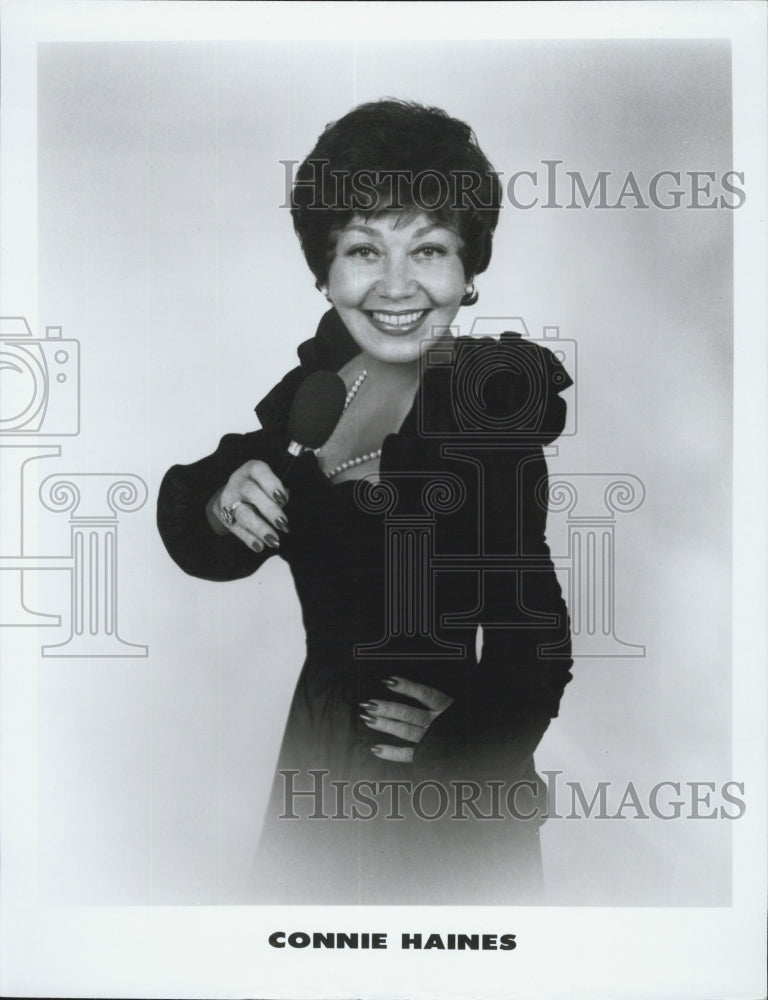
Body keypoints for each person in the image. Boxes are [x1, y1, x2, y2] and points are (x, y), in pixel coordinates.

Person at [157, 99, 573, 904]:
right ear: (324, 269)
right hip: (316, 750)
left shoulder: (485, 404)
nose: (394, 286)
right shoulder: (315, 387)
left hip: (434, 793)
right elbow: (208, 509)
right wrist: (219, 501)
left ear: (469, 269)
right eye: (362, 249)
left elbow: (539, 636)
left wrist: (460, 742)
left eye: (428, 248)